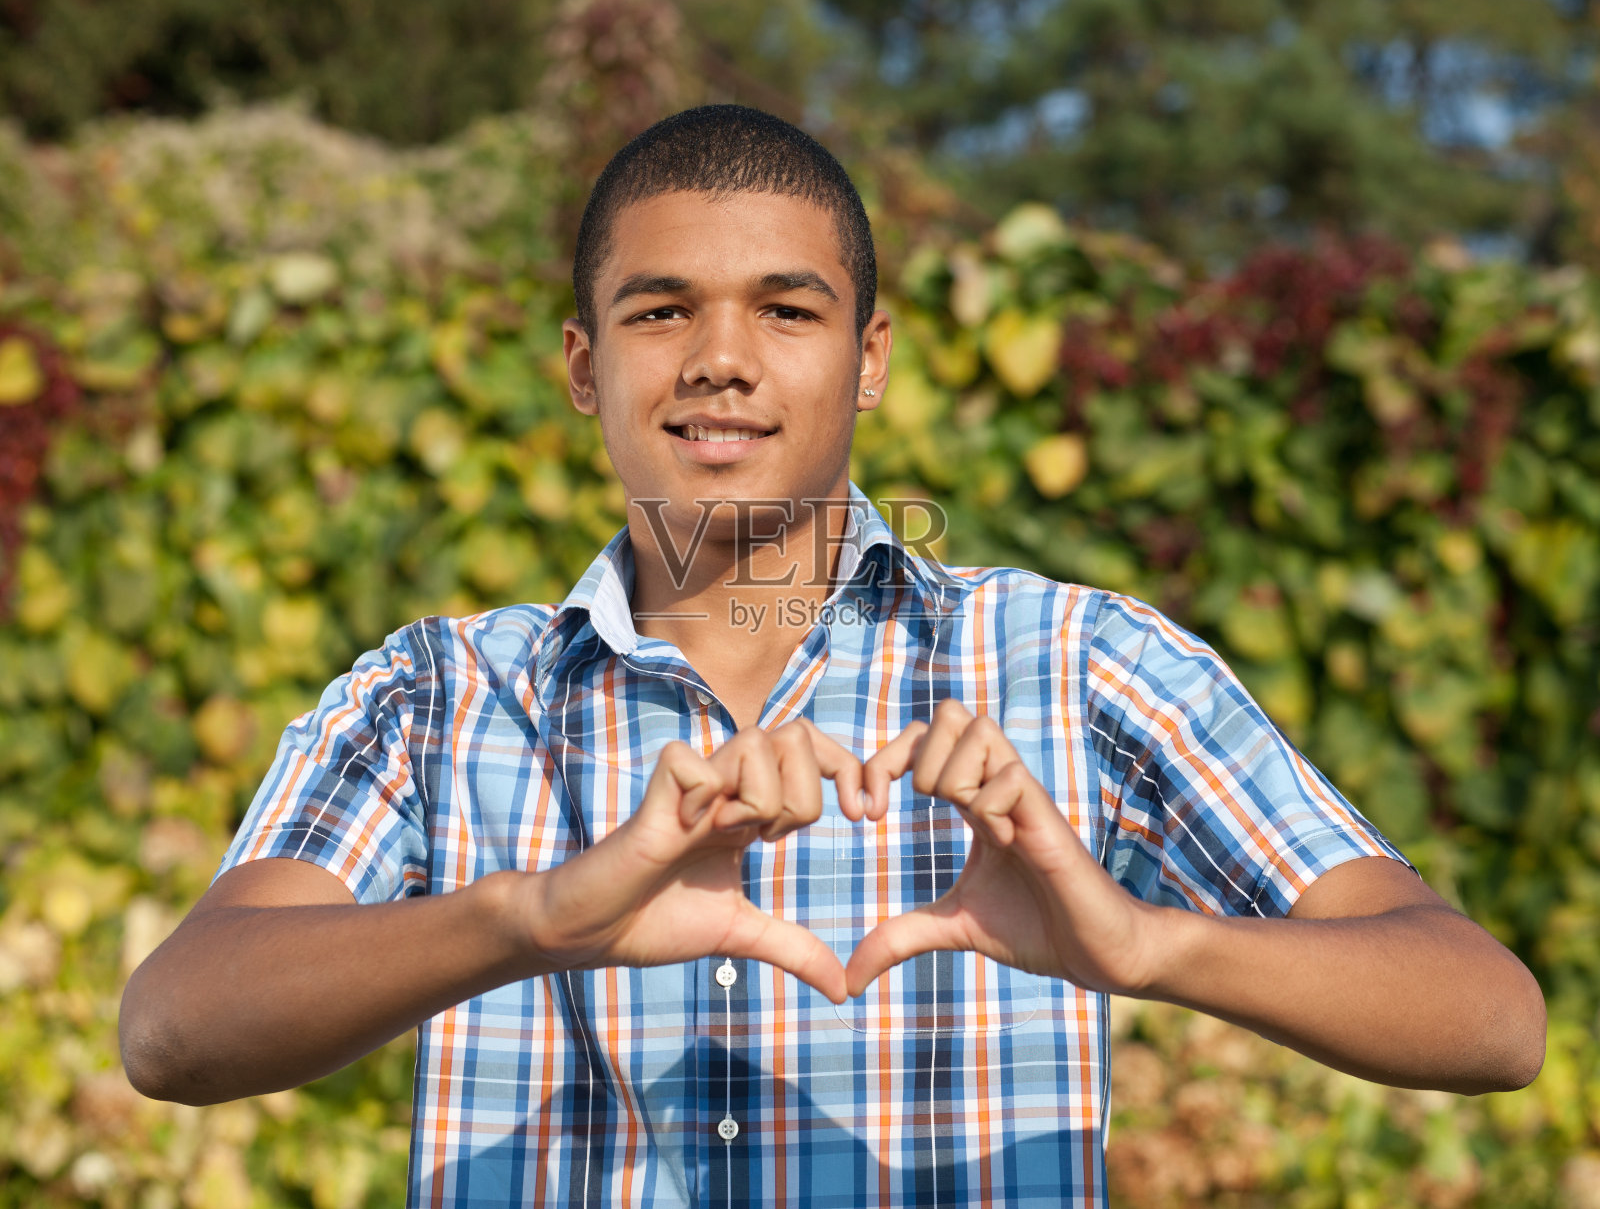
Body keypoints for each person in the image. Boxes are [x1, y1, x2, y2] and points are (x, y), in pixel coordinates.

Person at [120, 104, 1546, 1207]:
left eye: (785, 310)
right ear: (580, 366)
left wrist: (1146, 942)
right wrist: (535, 915)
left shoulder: (1083, 664)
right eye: (661, 309)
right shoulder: (434, 699)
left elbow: (1488, 1017)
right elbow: (177, 1030)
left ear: (869, 359)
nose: (720, 358)